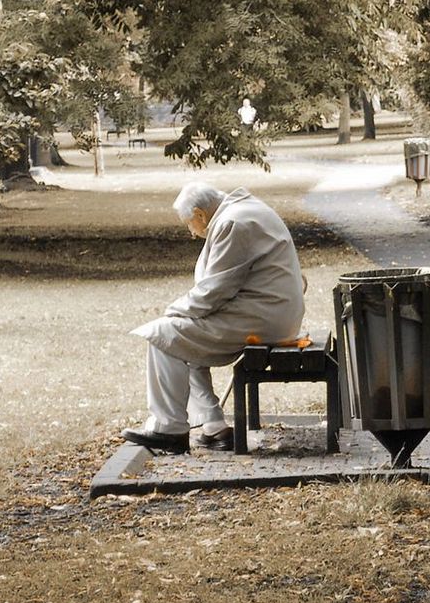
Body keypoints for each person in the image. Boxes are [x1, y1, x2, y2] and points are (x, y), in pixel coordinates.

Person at [123, 183, 305, 453]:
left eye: (189, 223)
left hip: (264, 318)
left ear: (200, 214)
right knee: (185, 339)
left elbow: (215, 290)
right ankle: (213, 426)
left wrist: (173, 309)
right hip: (272, 313)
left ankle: (168, 428)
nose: (191, 231)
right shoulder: (247, 209)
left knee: (162, 334)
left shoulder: (232, 222)